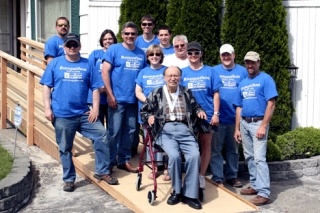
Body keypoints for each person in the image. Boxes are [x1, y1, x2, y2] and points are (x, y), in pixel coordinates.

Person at [40, 33, 118, 192]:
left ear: (80, 46)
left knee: (102, 135)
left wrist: (95, 109)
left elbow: (96, 87)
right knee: (65, 147)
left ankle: (102, 171)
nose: (72, 47)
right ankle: (69, 179)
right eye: (69, 45)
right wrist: (47, 108)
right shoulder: (55, 64)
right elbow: (46, 86)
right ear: (64, 47)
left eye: (75, 44)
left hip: (83, 113)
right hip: (62, 114)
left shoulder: (87, 64)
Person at [141, 66, 206, 210]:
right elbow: (144, 111)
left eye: (176, 76)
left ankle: (190, 194)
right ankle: (176, 191)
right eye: (170, 76)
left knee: (194, 156)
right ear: (164, 77)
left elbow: (196, 107)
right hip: (165, 130)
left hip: (184, 129)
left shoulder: (186, 92)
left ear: (180, 77)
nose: (173, 78)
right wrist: (150, 116)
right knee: (174, 156)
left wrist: (200, 111)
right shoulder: (157, 93)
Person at [233, 51, 278, 206]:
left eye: (253, 62)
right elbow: (239, 107)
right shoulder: (243, 83)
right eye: (247, 62)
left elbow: (271, 104)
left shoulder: (266, 79)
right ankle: (255, 185)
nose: (250, 65)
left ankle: (264, 192)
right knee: (249, 157)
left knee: (259, 158)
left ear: (259, 62)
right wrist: (237, 128)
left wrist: (263, 125)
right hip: (244, 123)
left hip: (258, 123)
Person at [101, 22, 147, 173]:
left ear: (136, 35)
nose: (130, 36)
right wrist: (110, 94)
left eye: (133, 34)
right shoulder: (114, 49)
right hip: (117, 99)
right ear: (122, 35)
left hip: (134, 101)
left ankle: (124, 160)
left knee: (130, 131)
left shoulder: (141, 53)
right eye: (127, 33)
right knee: (114, 132)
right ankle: (109, 162)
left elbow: (144, 76)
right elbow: (105, 72)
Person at [181, 41, 221, 201]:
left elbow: (216, 94)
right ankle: (189, 177)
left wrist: (216, 113)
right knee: (190, 149)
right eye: (190, 53)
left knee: (205, 146)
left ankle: (201, 176)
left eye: (196, 53)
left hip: (208, 115)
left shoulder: (210, 71)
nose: (193, 56)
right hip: (188, 118)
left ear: (201, 54)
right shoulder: (182, 73)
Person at [210, 44, 248, 187]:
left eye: (228, 54)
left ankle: (232, 176)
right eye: (223, 55)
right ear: (220, 56)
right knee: (216, 150)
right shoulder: (213, 71)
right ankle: (217, 177)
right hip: (218, 118)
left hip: (235, 119)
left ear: (234, 55)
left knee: (233, 150)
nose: (226, 57)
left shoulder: (243, 72)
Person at [135, 44, 169, 180]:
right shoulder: (143, 72)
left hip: (164, 111)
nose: (154, 57)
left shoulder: (166, 70)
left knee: (167, 139)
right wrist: (149, 103)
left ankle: (167, 168)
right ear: (147, 57)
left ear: (161, 56)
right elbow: (138, 91)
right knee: (149, 140)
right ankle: (154, 167)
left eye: (157, 54)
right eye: (151, 55)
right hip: (147, 111)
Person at [87, 29, 117, 126]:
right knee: (97, 125)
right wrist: (98, 86)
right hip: (97, 96)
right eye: (105, 39)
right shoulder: (95, 54)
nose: (107, 41)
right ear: (101, 41)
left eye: (110, 39)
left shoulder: (117, 53)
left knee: (112, 127)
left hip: (112, 97)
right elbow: (89, 71)